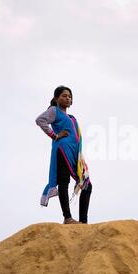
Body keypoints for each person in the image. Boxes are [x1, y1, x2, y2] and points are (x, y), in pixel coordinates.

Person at [35, 86, 92, 224]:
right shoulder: (54, 111)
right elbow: (40, 120)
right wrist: (54, 136)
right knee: (63, 182)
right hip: (62, 150)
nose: (67, 98)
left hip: (74, 155)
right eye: (64, 96)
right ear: (56, 99)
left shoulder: (72, 118)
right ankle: (67, 217)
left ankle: (83, 222)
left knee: (87, 185)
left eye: (69, 96)